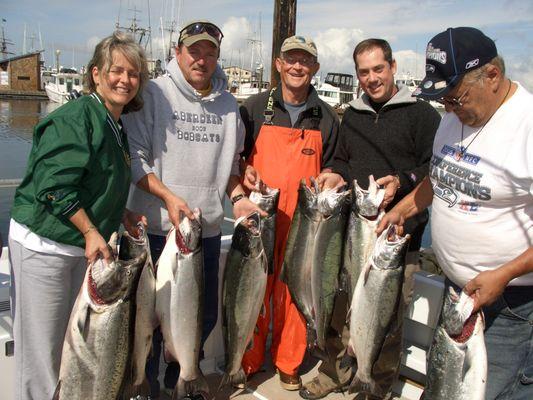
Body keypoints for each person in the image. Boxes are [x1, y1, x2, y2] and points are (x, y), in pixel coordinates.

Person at [377, 27, 533, 400]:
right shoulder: (453, 115)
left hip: (509, 304)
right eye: (443, 100)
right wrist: (405, 208)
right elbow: (439, 175)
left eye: (455, 97)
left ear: (492, 76)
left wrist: (505, 274)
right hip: (456, 293)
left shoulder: (527, 126)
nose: (449, 107)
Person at [122, 20, 260, 398]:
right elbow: (134, 158)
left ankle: (180, 384)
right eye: (194, 51)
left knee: (202, 319)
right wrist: (167, 197)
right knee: (146, 323)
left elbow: (231, 168)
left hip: (207, 231)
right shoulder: (151, 94)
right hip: (154, 231)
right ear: (178, 52)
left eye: (209, 52)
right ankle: (142, 388)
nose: (201, 59)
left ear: (218, 57)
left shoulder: (231, 107)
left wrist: (238, 198)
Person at [8, 31, 148, 400]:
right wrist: (89, 230)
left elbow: (96, 182)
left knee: (72, 350)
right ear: (96, 74)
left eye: (133, 74)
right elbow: (54, 186)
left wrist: (121, 214)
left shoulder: (112, 121)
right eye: (116, 71)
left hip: (80, 251)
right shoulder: (76, 117)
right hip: (46, 247)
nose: (125, 80)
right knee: (43, 353)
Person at [300, 38, 441, 400]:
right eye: (364, 72)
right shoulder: (354, 114)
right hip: (352, 232)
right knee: (338, 307)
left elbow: (434, 169)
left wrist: (403, 181)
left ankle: (374, 384)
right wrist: (334, 172)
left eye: (378, 69)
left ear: (393, 67)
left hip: (397, 238)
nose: (372, 78)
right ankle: (334, 370)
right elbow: (345, 161)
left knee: (386, 319)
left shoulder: (424, 115)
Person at [239, 35, 340, 391]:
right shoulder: (252, 108)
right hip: (259, 216)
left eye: (305, 61)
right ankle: (248, 358)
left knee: (293, 293)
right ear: (278, 64)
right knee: (251, 288)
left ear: (314, 68)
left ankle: (288, 361)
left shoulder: (326, 117)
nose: (297, 66)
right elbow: (234, 157)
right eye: (290, 59)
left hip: (304, 223)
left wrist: (334, 176)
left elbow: (337, 164)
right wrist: (242, 173)